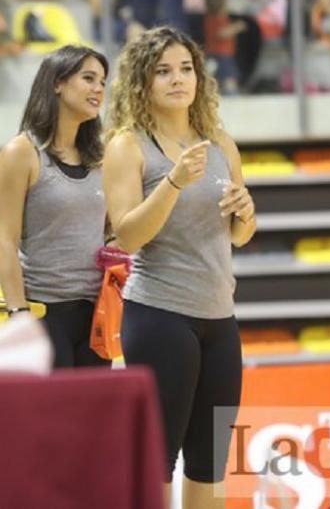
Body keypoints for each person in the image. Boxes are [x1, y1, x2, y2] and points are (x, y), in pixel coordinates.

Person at [102, 26, 255, 508]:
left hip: (220, 318)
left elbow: (240, 235)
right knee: (159, 459)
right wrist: (171, 182)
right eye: (163, 71)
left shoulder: (219, 143)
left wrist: (246, 212)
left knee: (211, 462)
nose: (177, 79)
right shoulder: (129, 145)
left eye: (185, 69)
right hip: (160, 314)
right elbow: (127, 236)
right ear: (142, 82)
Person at [0, 45, 110, 368]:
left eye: (102, 81)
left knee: (95, 418)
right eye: (88, 78)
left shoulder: (101, 158)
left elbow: (111, 233)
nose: (98, 88)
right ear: (57, 83)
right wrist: (18, 314)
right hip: (43, 312)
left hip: (97, 314)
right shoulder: (21, 153)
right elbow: (5, 242)